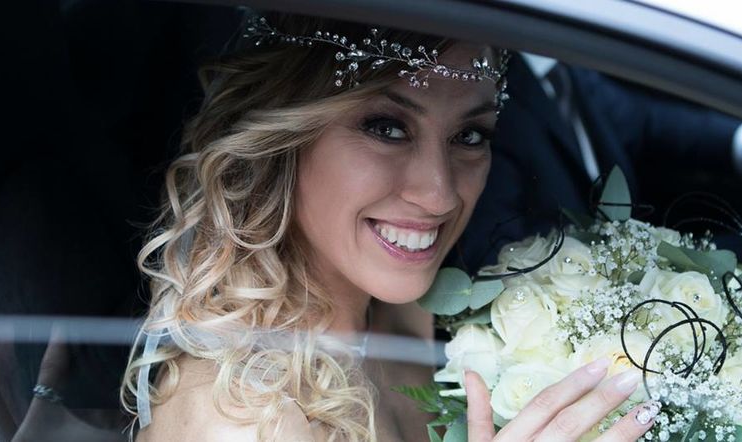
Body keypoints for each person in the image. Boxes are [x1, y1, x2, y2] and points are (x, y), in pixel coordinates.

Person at [121, 12, 660, 441]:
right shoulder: (238, 420)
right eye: (386, 128)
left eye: (470, 136)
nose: (440, 194)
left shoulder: (411, 318)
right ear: (284, 138)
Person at [452, 52, 742, 272]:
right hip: (571, 294)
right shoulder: (495, 99)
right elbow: (492, 257)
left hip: (624, 263)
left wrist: (737, 139)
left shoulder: (569, 66)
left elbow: (646, 121)